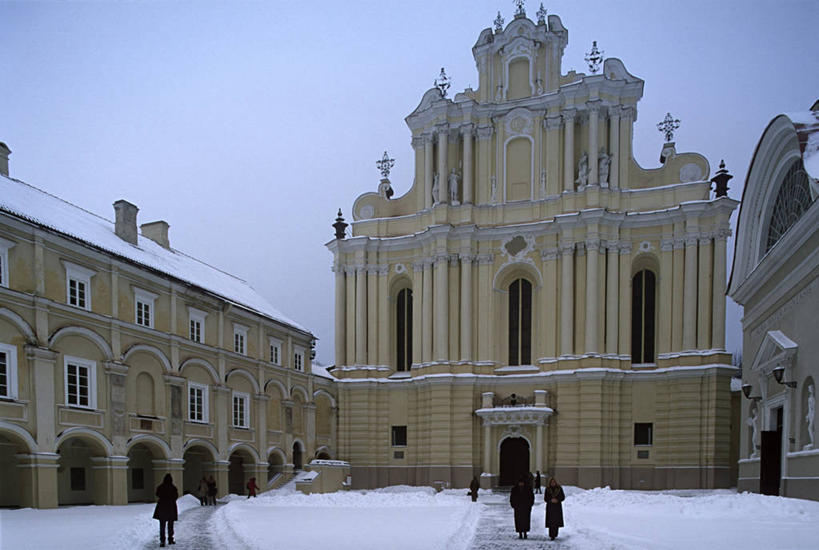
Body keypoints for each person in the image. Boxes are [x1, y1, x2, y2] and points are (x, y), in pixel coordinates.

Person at [153, 473, 178, 547]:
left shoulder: (160, 487)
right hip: (170, 507)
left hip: (162, 507)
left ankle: (162, 541)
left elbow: (157, 494)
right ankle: (170, 539)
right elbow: (176, 496)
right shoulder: (173, 487)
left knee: (162, 525)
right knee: (170, 525)